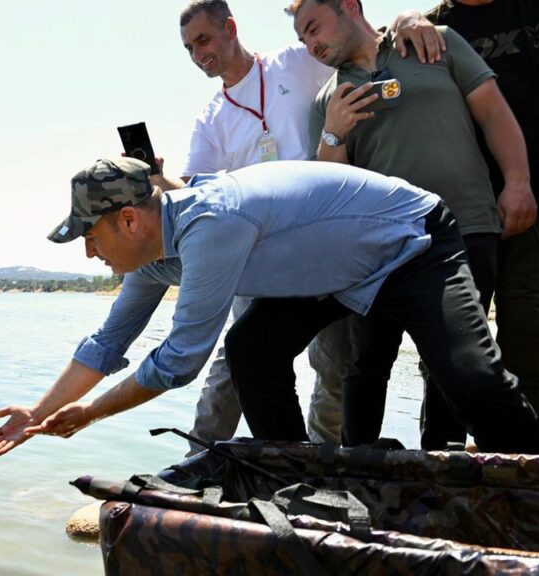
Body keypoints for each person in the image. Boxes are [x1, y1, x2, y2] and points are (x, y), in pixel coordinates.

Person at [0, 157, 539, 459]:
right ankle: (298, 476)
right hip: (332, 271)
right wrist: (38, 412)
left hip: (411, 242)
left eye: (91, 236)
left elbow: (179, 360)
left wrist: (90, 414)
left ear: (129, 220)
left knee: (471, 379)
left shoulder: (210, 224)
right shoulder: (151, 258)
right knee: (251, 349)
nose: (88, 252)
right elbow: (108, 343)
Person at [157, 0, 445, 449]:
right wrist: (160, 179)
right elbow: (196, 190)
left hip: (325, 243)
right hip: (256, 254)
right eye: (189, 48)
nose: (198, 54)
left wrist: (407, 20)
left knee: (334, 365)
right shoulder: (211, 119)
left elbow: (358, 41)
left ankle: (323, 460)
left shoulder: (296, 62)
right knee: (237, 359)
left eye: (204, 40)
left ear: (230, 27)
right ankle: (198, 459)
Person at [293, 0, 536, 448]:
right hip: (380, 253)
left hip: (466, 229)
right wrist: (333, 133)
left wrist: (518, 182)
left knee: (453, 367)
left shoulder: (434, 42)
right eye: (303, 38)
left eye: (313, 27)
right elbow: (330, 191)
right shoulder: (328, 101)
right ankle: (357, 468)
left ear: (348, 6)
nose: (311, 44)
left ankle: (440, 472)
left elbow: (493, 112)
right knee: (367, 365)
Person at [424, 0, 539, 439]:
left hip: (538, 204)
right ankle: (441, 463)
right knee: (450, 353)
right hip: (457, 213)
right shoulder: (432, 27)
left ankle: (526, 464)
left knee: (531, 343)